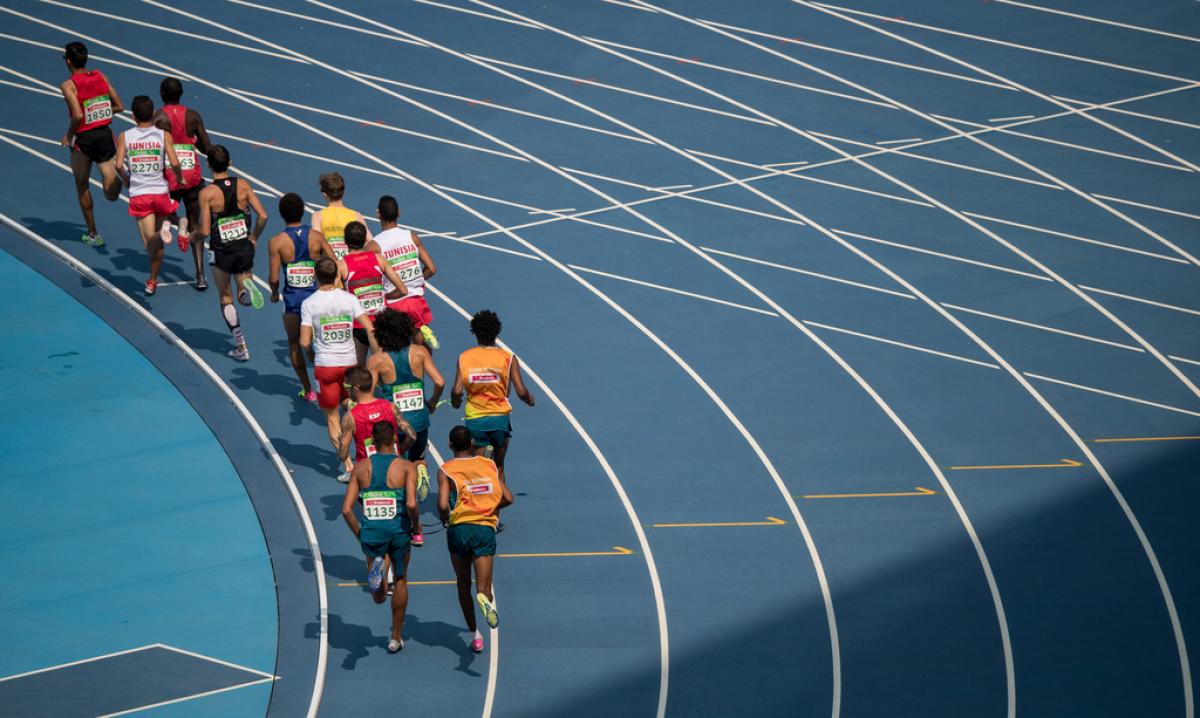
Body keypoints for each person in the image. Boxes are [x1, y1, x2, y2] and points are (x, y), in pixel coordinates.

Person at [341, 420, 420, 653]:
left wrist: (360, 533)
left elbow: (346, 509)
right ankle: (395, 637)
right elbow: (413, 503)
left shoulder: (361, 468)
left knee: (378, 597)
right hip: (398, 530)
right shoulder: (406, 467)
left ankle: (378, 569)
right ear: (395, 439)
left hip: (372, 532)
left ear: (372, 443)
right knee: (402, 580)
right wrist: (416, 526)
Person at [301, 257, 381, 481]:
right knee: (354, 407)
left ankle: (348, 466)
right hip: (349, 364)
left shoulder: (309, 303)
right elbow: (369, 326)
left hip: (325, 367)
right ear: (337, 275)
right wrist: (378, 354)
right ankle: (369, 451)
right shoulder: (349, 298)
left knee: (332, 417)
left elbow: (304, 340)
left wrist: (311, 354)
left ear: (315, 276)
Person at [438, 425, 513, 654]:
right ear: (472, 443)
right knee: (483, 586)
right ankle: (484, 600)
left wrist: (447, 519)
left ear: (450, 445)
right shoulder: (488, 464)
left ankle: (475, 635)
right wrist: (489, 508)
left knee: (462, 582)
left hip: (459, 529)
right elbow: (508, 498)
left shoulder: (446, 469)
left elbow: (442, 505)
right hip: (484, 529)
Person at [191, 145, 268, 361]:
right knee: (243, 297)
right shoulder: (243, 185)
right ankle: (247, 291)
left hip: (221, 252)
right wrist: (254, 237)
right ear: (230, 163)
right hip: (243, 248)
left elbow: (205, 231)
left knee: (226, 297)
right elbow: (263, 216)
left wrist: (193, 237)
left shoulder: (206, 194)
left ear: (208, 165)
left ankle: (241, 346)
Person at [451, 310, 534, 485]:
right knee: (499, 467)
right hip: (499, 419)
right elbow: (521, 391)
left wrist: (455, 401)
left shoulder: (465, 357)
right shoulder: (508, 358)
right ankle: (497, 508)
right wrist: (529, 399)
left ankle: (476, 505)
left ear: (475, 333)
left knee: (477, 469)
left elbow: (457, 390)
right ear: (497, 332)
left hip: (475, 419)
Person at [268, 192, 334, 403]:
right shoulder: (317, 236)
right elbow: (334, 263)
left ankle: (308, 390)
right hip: (319, 298)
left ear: (281, 214)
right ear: (303, 211)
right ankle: (328, 382)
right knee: (325, 342)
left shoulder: (277, 242)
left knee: (294, 342)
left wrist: (274, 293)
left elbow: (274, 277)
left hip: (294, 302)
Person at [114, 95, 183, 296]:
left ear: (133, 116)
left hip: (140, 195)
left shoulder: (125, 136)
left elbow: (118, 165)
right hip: (161, 193)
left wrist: (127, 179)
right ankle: (152, 280)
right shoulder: (164, 135)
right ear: (153, 115)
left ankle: (161, 234)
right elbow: (175, 162)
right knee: (158, 246)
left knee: (149, 243)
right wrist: (179, 179)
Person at [58, 41, 123, 247]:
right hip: (104, 136)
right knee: (111, 194)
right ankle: (121, 175)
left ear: (68, 61)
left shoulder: (68, 85)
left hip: (83, 141)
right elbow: (119, 106)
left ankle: (94, 233)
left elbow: (77, 115)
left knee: (82, 185)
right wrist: (100, 115)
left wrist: (69, 135)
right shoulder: (100, 76)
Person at [153, 76, 212, 289]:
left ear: (161, 94)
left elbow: (152, 149)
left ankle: (154, 276)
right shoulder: (193, 116)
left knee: (161, 220)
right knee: (197, 224)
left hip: (169, 177)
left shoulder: (158, 117)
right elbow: (207, 148)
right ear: (181, 94)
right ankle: (200, 276)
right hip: (192, 177)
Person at [368, 195, 439, 350]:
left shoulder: (374, 246)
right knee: (420, 349)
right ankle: (421, 336)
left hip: (393, 304)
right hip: (415, 301)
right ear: (399, 213)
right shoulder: (411, 236)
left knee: (394, 351)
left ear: (378, 214)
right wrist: (416, 279)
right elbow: (432, 269)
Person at [340, 221, 406, 367]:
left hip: (358, 326)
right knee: (386, 368)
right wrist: (385, 297)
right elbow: (403, 290)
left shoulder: (342, 265)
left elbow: (337, 299)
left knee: (359, 374)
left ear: (345, 241)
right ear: (365, 240)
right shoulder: (379, 259)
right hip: (380, 323)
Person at [338, 367, 416, 482]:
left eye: (347, 387)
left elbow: (343, 454)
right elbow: (412, 436)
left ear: (355, 388)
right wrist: (399, 450)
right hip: (393, 469)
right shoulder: (390, 407)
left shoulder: (350, 417)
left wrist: (341, 444)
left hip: (367, 473)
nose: (346, 391)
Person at [311, 172, 369, 260]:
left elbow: (316, 246)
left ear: (325, 194)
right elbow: (371, 243)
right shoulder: (356, 216)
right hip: (353, 267)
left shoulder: (318, 216)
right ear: (344, 192)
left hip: (331, 269)